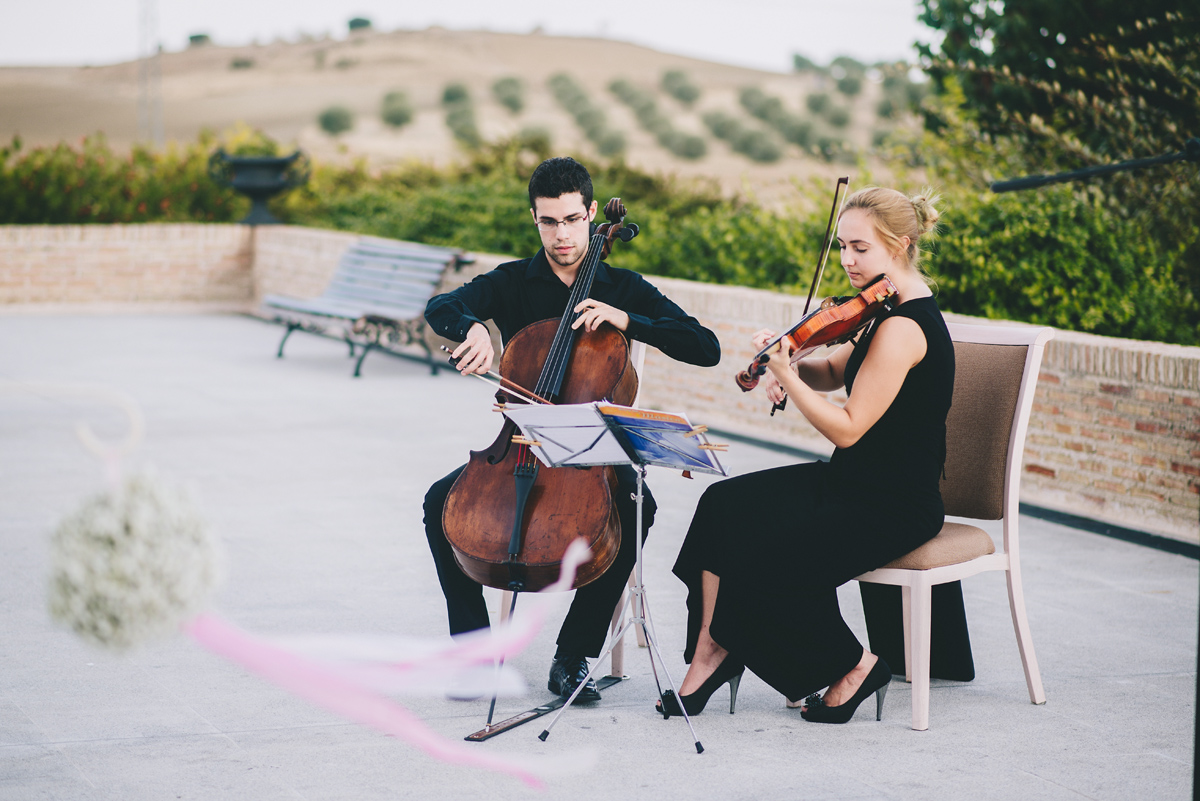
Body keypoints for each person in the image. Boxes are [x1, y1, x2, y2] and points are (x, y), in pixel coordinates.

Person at [422, 157, 721, 704]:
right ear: (534, 219)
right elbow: (442, 305)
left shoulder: (623, 287)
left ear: (590, 213)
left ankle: (573, 654)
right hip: (518, 448)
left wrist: (628, 320)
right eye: (548, 222)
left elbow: (705, 346)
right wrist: (472, 327)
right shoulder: (513, 281)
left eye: (571, 220)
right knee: (440, 501)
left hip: (592, 455)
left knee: (637, 509)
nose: (561, 235)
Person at [663, 186, 953, 724]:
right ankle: (711, 651)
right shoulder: (879, 311)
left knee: (770, 558)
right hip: (851, 483)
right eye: (842, 246)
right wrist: (791, 364)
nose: (846, 260)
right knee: (723, 506)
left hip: (892, 502)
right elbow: (834, 371)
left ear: (901, 244)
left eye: (860, 248)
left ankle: (856, 666)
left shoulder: (904, 328)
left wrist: (783, 375)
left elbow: (847, 428)